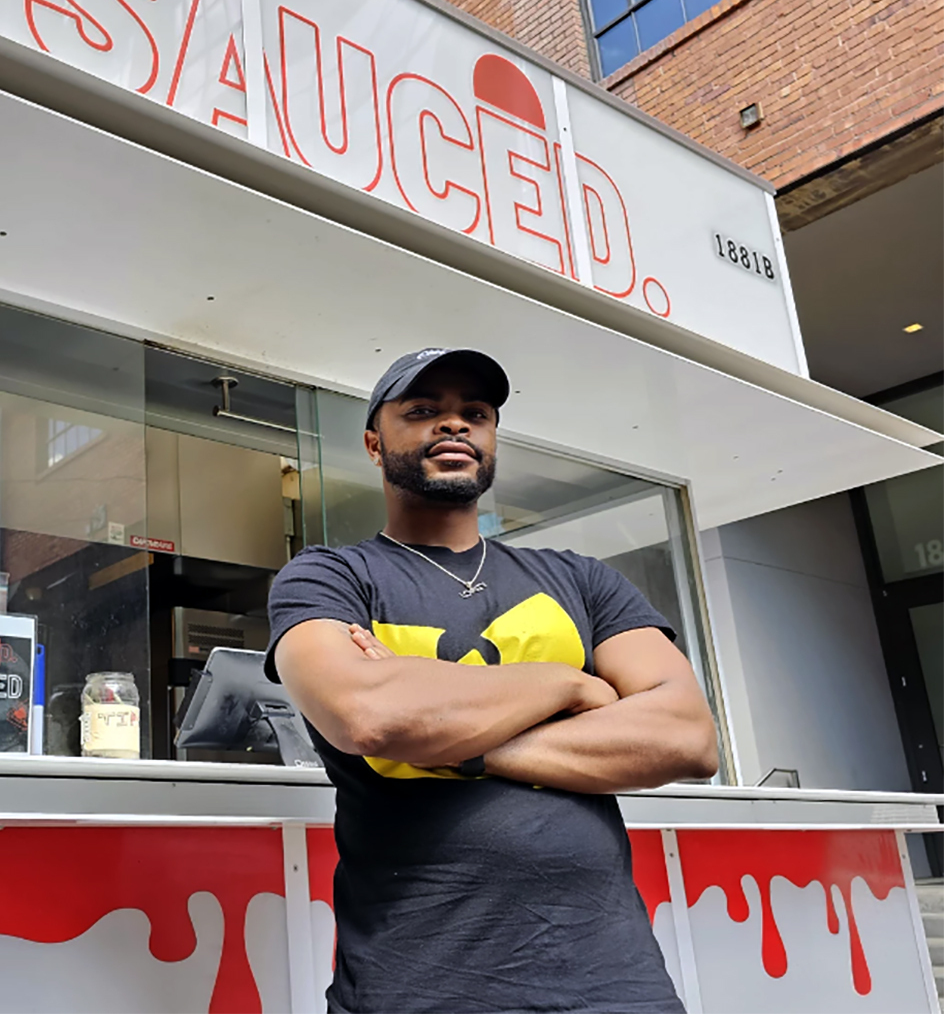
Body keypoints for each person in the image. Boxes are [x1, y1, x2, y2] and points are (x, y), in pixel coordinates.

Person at [267, 347, 718, 1014]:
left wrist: (447, 736)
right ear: (373, 442)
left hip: (616, 983)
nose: (454, 426)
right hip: (417, 983)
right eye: (422, 411)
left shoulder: (584, 581)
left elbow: (689, 736)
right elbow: (368, 717)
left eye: (474, 413)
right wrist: (570, 685)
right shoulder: (328, 577)